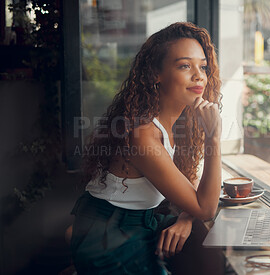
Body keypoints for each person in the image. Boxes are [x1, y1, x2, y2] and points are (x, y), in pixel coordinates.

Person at [70, 22, 222, 274]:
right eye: (185, 65)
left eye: (203, 66)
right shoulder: (143, 135)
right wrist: (214, 139)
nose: (199, 76)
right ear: (156, 74)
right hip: (110, 239)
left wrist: (186, 217)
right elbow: (206, 208)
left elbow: (190, 178)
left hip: (137, 227)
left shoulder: (176, 122)